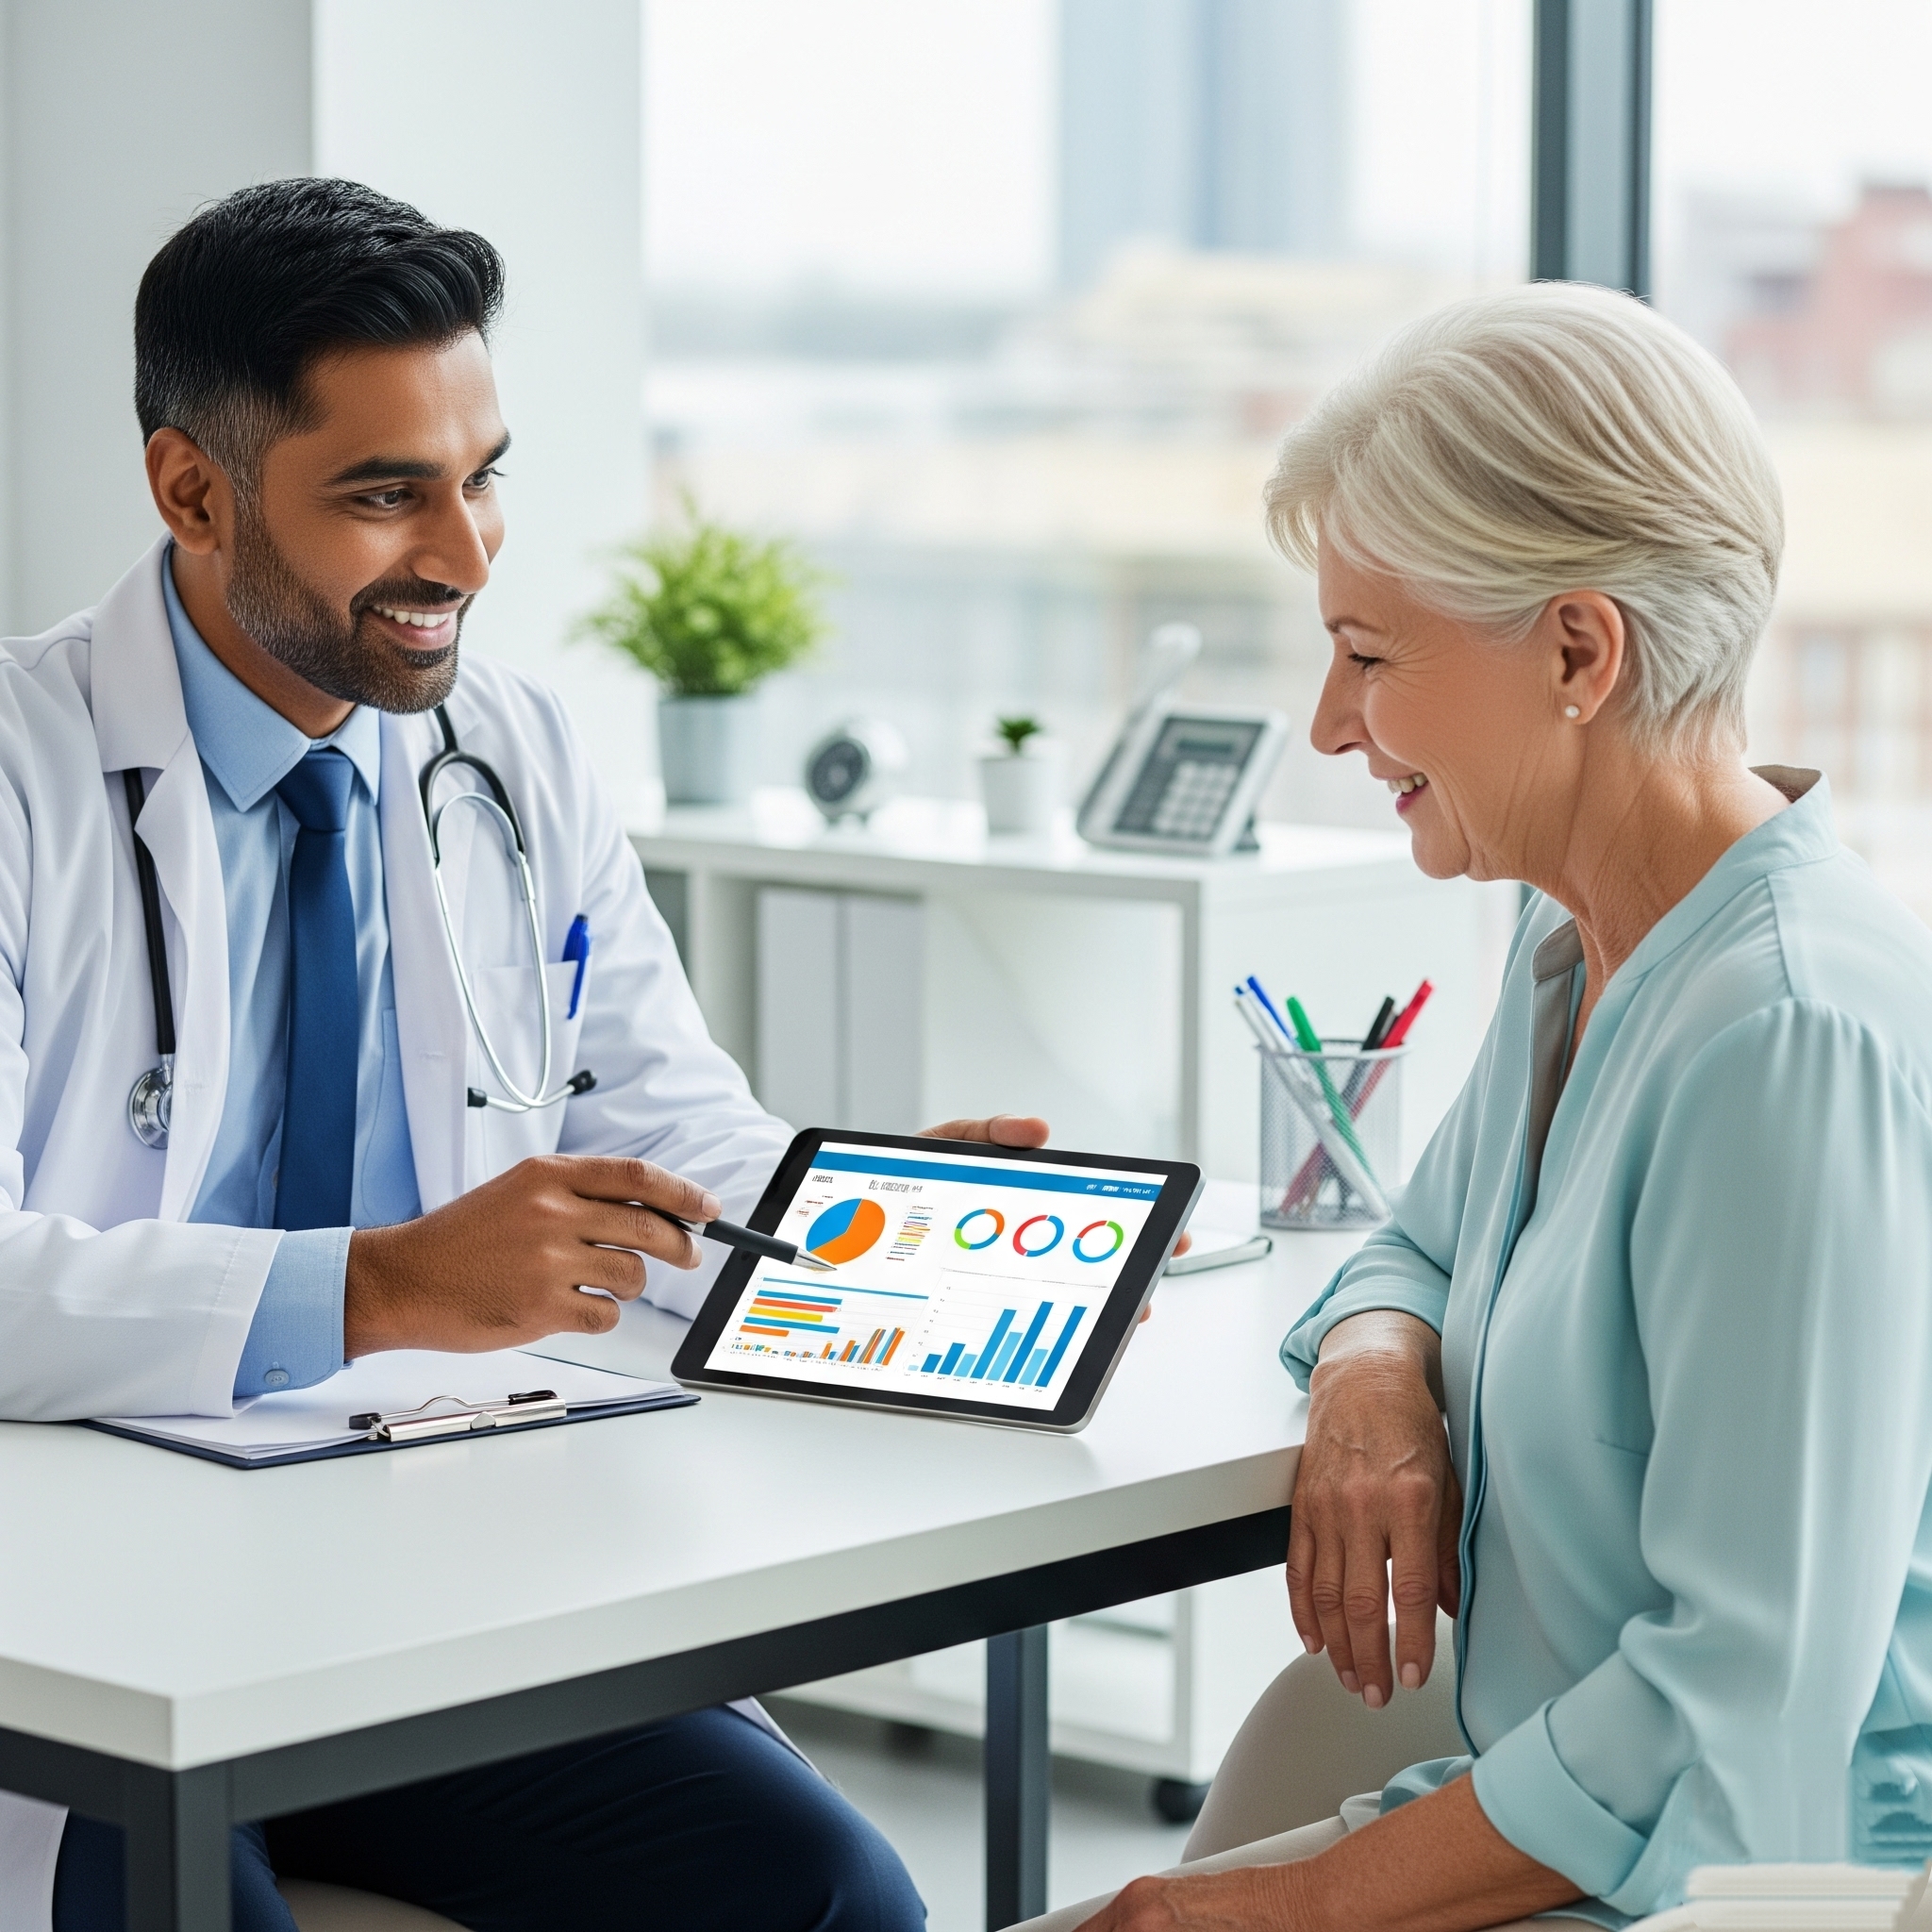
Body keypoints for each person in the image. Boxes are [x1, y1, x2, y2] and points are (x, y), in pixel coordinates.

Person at [0, 175, 1046, 1932]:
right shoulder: (24, 778)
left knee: (828, 1899)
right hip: (89, 1619)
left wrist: (882, 1221)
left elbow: (664, 1120)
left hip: (429, 1581)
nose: (469, 555)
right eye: (386, 493)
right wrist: (384, 1286)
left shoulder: (511, 751)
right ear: (192, 487)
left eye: (482, 477)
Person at [1021, 282, 1932, 1932]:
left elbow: (1738, 1725)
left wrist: (1248, 1917)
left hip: (1750, 1891)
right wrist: (1378, 1376)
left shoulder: (1787, 1036)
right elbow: (1416, 1242)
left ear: (1581, 650)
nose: (1328, 723)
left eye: (1370, 656)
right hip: (1553, 1829)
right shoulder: (1577, 932)